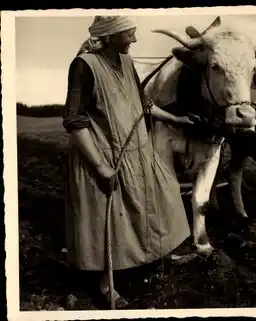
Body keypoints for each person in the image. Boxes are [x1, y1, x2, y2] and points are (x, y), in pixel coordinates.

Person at [62, 16, 192, 308]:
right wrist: (101, 166)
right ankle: (106, 286)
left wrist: (177, 119)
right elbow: (74, 122)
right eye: (128, 35)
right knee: (106, 224)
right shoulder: (84, 66)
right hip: (105, 155)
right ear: (109, 36)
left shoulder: (127, 61)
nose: (134, 40)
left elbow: (142, 103)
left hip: (138, 152)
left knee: (164, 197)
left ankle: (157, 254)